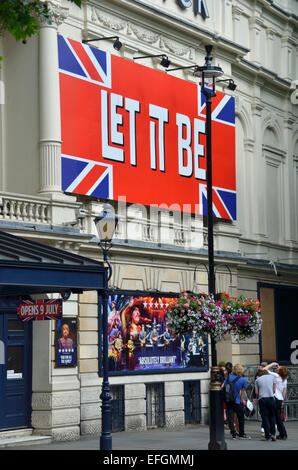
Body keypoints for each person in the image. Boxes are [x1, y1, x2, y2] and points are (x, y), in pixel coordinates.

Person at [223, 363, 250, 440]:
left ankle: (233, 434)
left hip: (228, 400)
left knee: (230, 418)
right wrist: (242, 400)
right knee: (240, 416)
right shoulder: (242, 380)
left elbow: (222, 386)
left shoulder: (228, 378)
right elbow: (242, 392)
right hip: (237, 401)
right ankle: (241, 434)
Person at [264, 362, 288, 440]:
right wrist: (283, 401)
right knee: (278, 418)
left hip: (275, 398)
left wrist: (272, 364)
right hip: (280, 399)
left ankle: (273, 433)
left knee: (272, 416)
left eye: (279, 367)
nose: (278, 366)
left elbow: (264, 370)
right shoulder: (285, 379)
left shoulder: (276, 376)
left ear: (279, 371)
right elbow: (284, 391)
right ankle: (283, 434)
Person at [255, 369, 277, 441]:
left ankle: (267, 436)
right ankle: (273, 434)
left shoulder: (257, 380)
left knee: (265, 417)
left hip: (262, 399)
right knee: (272, 416)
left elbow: (256, 392)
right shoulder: (272, 378)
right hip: (271, 399)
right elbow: (274, 390)